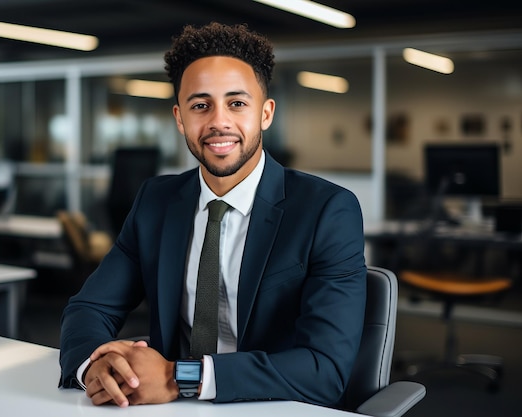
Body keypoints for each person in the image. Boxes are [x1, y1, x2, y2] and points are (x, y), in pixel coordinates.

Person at [59, 21, 366, 408]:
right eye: (200, 105)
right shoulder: (156, 201)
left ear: (266, 113)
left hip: (272, 408)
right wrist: (96, 366)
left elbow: (325, 368)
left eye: (237, 103)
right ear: (179, 117)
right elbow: (90, 308)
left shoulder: (326, 211)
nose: (219, 121)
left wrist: (179, 378)